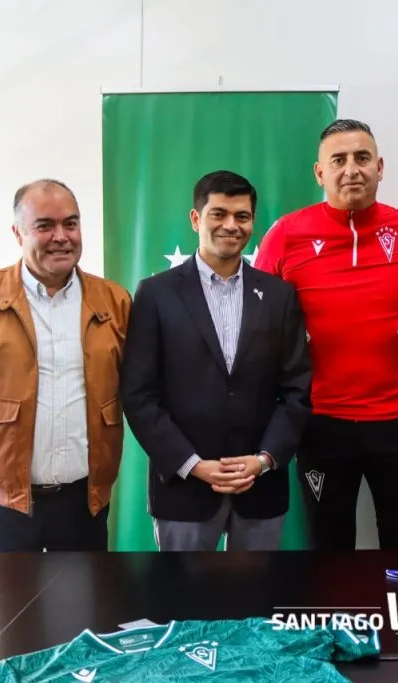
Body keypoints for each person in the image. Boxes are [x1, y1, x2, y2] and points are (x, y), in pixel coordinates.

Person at [254, 119, 398, 550]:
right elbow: (258, 325)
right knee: (329, 544)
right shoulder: (286, 234)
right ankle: (336, 618)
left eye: (361, 158)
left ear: (380, 166)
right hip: (321, 422)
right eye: (338, 160)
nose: (351, 169)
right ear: (320, 173)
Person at [0, 179, 132, 552]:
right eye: (45, 226)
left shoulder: (114, 301)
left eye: (71, 223)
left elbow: (132, 384)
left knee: (80, 607)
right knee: (3, 609)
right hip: (1, 504)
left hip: (83, 502)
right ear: (18, 233)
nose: (61, 236)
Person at [120, 170, 311, 551]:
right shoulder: (156, 294)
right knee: (185, 602)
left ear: (253, 221)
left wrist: (264, 459)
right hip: (184, 488)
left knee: (256, 602)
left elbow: (297, 391)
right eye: (218, 214)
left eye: (242, 216)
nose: (231, 225)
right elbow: (139, 395)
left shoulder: (278, 296)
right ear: (196, 219)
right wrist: (192, 464)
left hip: (261, 485)